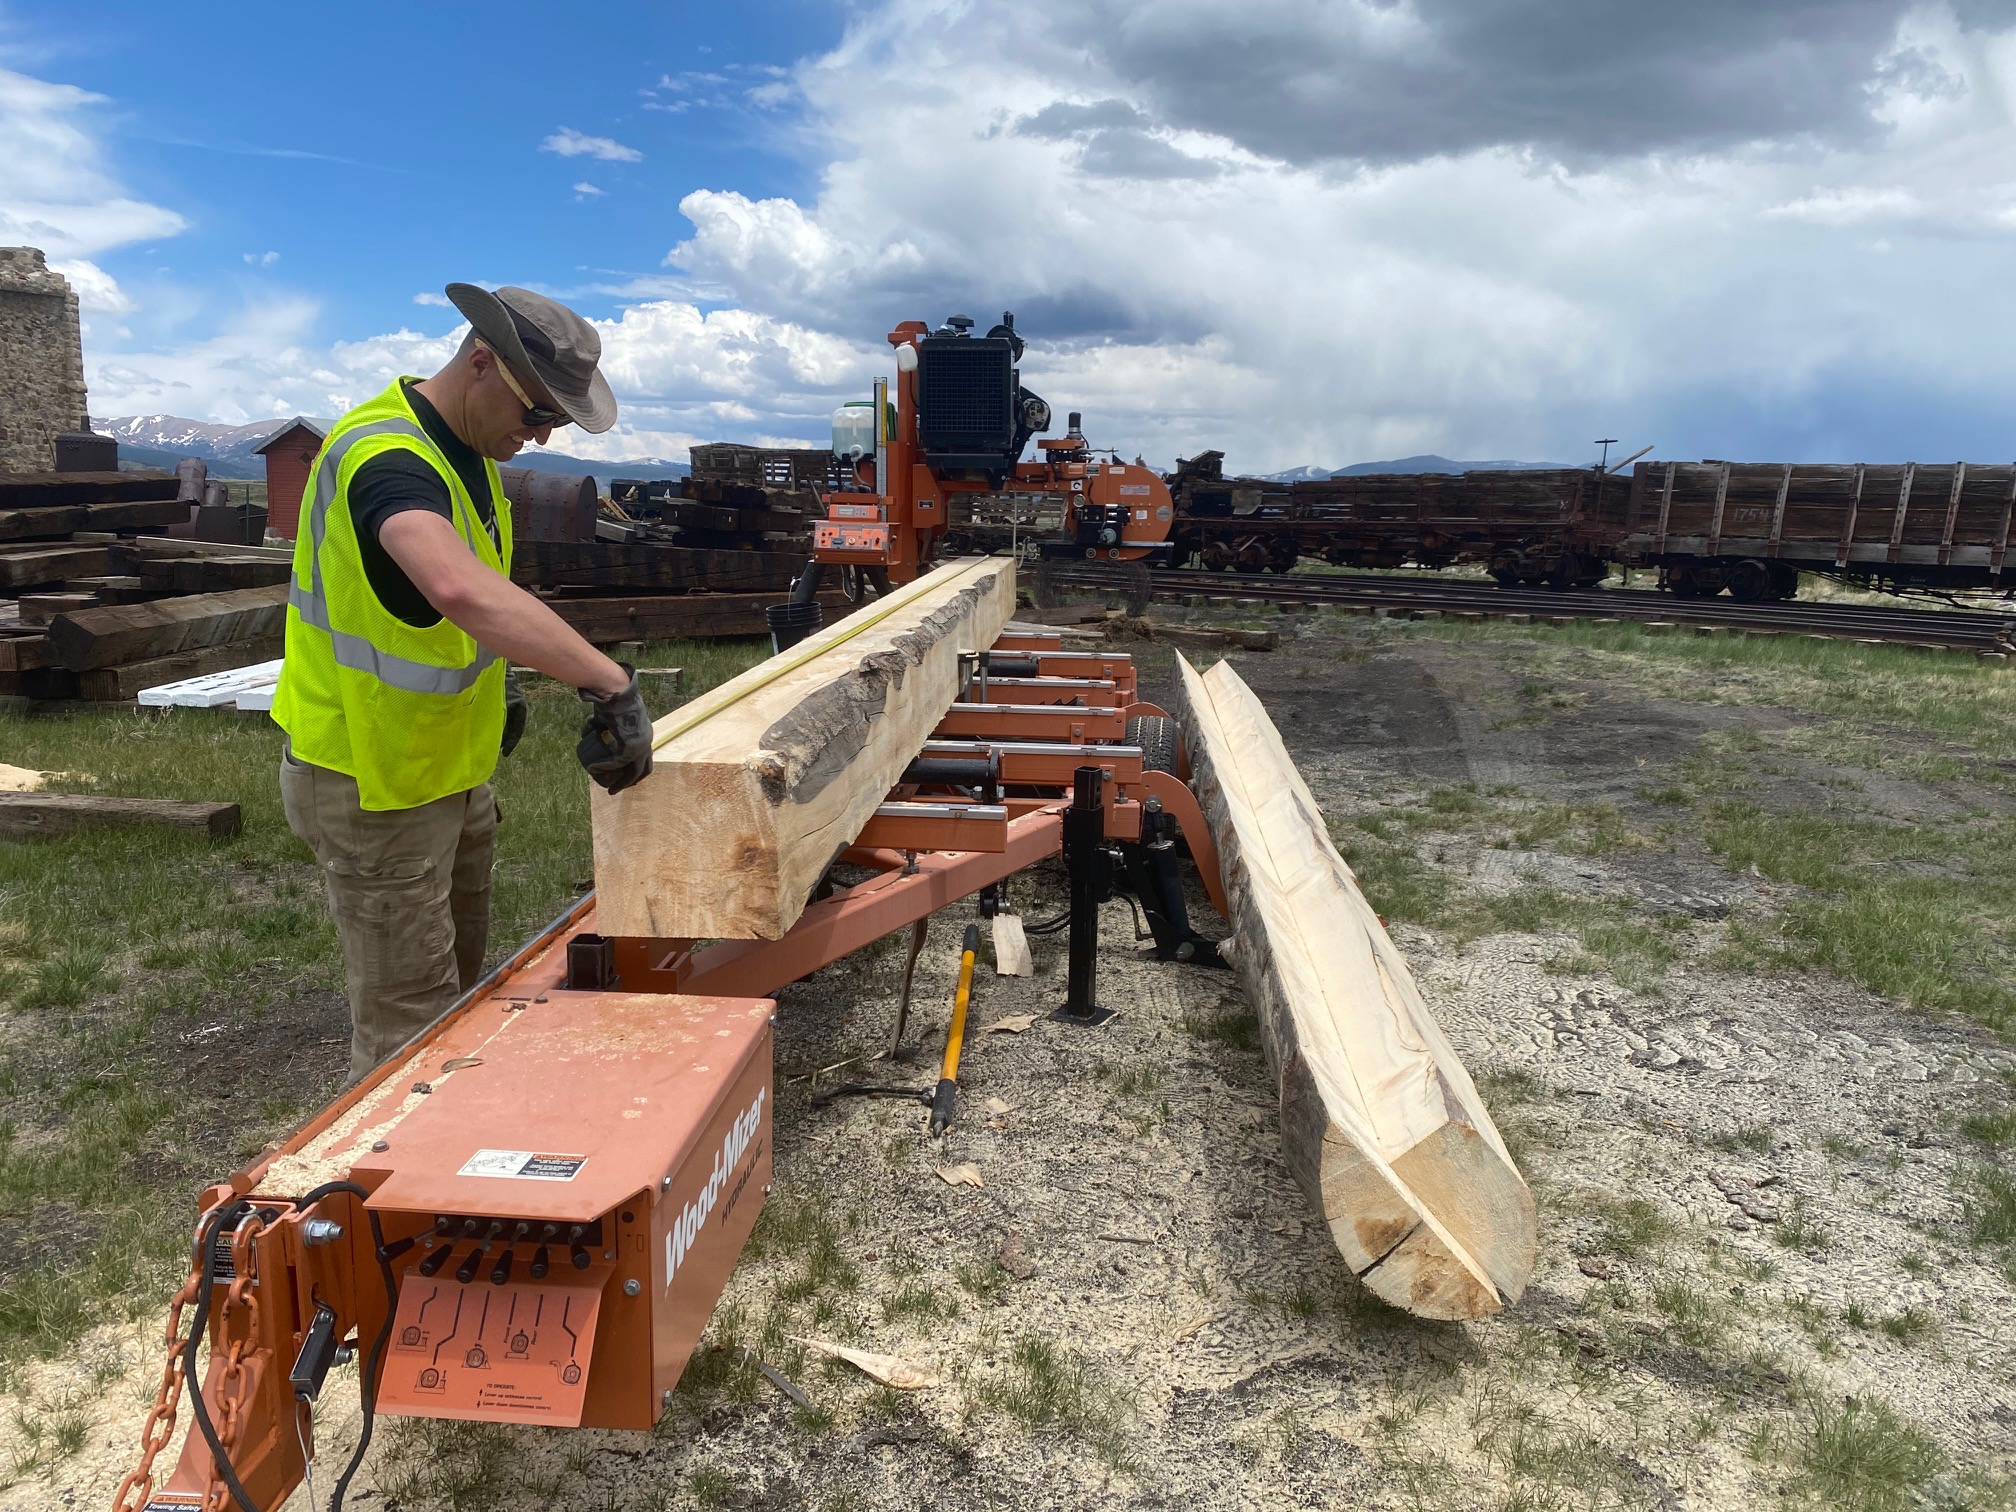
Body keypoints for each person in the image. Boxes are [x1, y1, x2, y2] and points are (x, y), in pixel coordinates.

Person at [273, 282, 654, 1083]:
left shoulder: (471, 452)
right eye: (536, 414)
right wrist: (606, 681)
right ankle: (382, 1194)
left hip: (442, 768)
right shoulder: (388, 457)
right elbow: (456, 587)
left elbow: (443, 615)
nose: (541, 436)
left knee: (455, 1008)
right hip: (371, 781)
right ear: (481, 363)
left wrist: (500, 683)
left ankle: (441, 1169)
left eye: (555, 422)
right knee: (408, 1035)